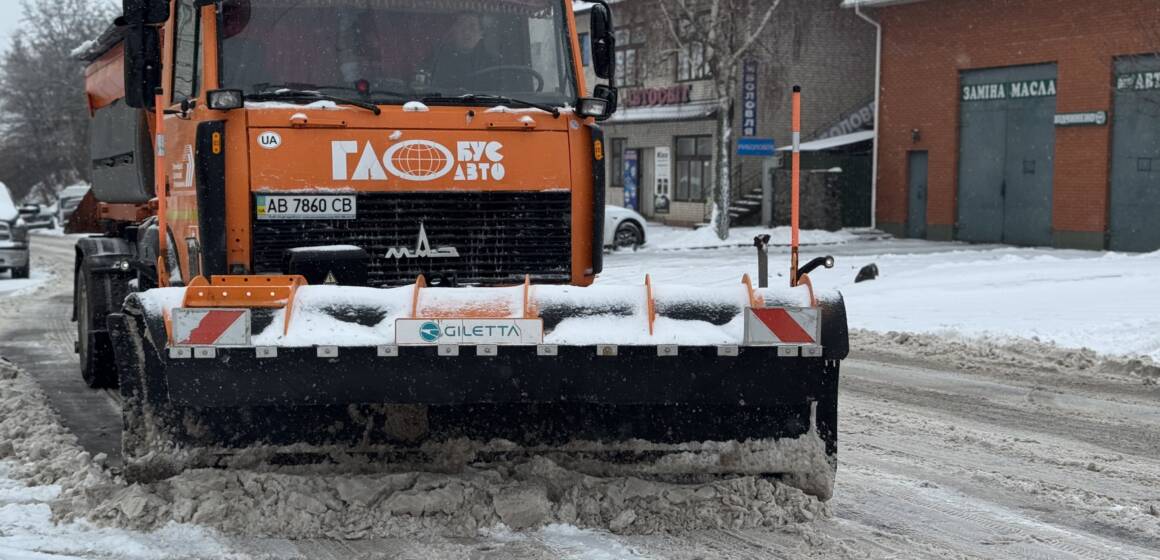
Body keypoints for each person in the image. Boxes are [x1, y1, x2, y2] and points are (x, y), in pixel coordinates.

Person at [422, 12, 501, 92]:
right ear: (454, 30)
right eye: (462, 26)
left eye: (472, 27)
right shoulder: (437, 58)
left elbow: (497, 94)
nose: (466, 32)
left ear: (481, 33)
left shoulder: (492, 63)